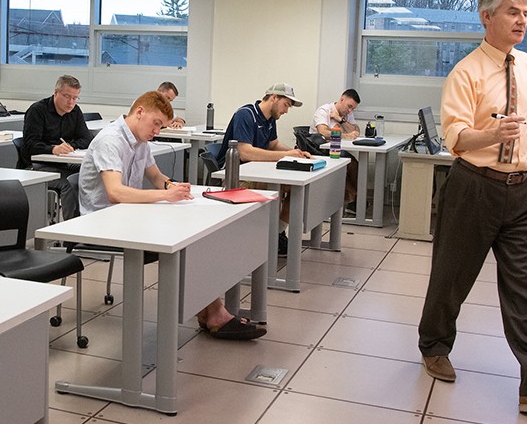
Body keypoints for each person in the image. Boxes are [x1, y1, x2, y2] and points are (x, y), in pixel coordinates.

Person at [416, 0, 527, 414]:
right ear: (486, 17)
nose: (521, 20)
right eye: (511, 12)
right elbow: (455, 138)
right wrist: (491, 134)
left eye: (525, 12)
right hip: (475, 186)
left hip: (525, 190)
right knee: (452, 275)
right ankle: (434, 345)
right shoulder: (466, 73)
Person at [80, 91, 265, 340]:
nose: (158, 130)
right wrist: (166, 196)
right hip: (101, 222)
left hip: (127, 216)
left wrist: (171, 186)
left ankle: (212, 311)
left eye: (162, 126)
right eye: (156, 123)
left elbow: (156, 177)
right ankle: (213, 313)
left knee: (199, 234)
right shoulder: (111, 140)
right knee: (187, 237)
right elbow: (115, 193)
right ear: (139, 112)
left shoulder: (140, 141)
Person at [218, 83, 313, 254]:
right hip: (238, 175)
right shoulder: (245, 115)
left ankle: (277, 233)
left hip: (259, 173)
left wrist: (295, 152)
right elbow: (245, 152)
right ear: (274, 98)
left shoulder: (270, 119)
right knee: (274, 192)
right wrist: (286, 155)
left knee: (296, 188)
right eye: (286, 105)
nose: (286, 111)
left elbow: (273, 144)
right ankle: (259, 238)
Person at [21, 74, 92, 221]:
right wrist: (52, 149)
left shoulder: (75, 111)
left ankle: (90, 222)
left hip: (64, 163)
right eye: (67, 96)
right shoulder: (37, 111)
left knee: (90, 173)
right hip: (38, 166)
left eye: (75, 97)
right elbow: (29, 145)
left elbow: (86, 139)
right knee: (70, 183)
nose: (71, 102)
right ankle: (70, 233)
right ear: (56, 93)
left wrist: (71, 146)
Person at [311, 89, 362, 206]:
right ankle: (356, 196)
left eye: (353, 108)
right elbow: (323, 132)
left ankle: (353, 200)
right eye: (349, 106)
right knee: (347, 164)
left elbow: (356, 131)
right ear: (342, 99)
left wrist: (341, 120)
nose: (350, 110)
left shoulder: (347, 114)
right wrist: (345, 135)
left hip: (336, 149)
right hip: (319, 150)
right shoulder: (324, 110)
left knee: (354, 164)